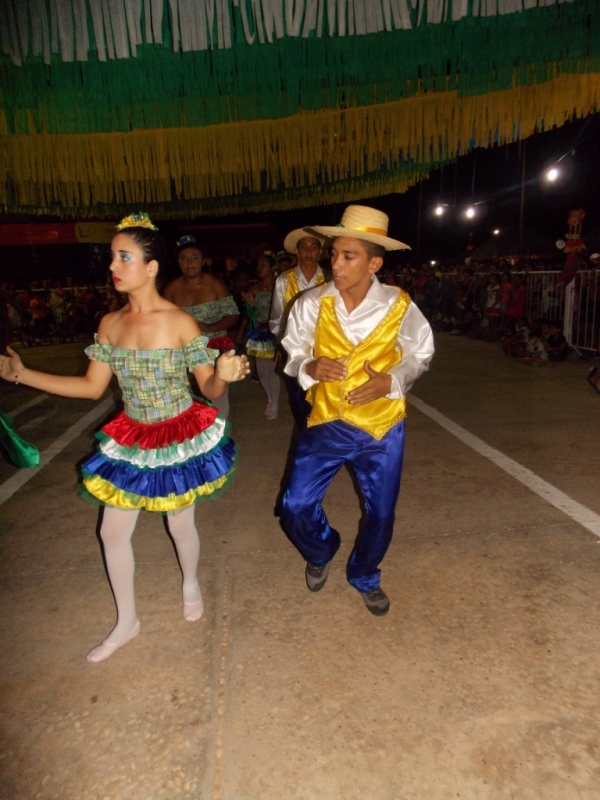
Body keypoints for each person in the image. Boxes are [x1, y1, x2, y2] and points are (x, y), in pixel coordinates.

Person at [0, 213, 249, 663]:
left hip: (177, 433)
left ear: (151, 267)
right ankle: (126, 621)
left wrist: (224, 376)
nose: (113, 265)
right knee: (112, 531)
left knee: (179, 522)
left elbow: (209, 389)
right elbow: (92, 388)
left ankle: (190, 582)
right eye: (112, 256)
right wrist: (24, 375)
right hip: (132, 435)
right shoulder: (110, 323)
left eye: (124, 256)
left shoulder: (179, 323)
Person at [280, 205, 434, 616]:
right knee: (294, 506)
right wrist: (309, 366)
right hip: (326, 422)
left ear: (374, 262)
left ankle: (365, 574)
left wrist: (392, 380)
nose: (337, 263)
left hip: (381, 429)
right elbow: (293, 354)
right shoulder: (310, 304)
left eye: (349, 256)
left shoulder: (399, 305)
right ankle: (321, 548)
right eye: (335, 254)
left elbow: (421, 352)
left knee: (381, 513)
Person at [164, 235, 240, 419]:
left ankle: (219, 433)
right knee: (186, 394)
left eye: (194, 257)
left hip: (215, 345)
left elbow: (233, 315)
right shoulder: (171, 289)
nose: (189, 263)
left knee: (218, 393)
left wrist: (210, 326)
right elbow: (162, 320)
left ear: (203, 261)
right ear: (178, 262)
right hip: (183, 350)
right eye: (184, 258)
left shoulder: (215, 285)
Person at [269, 227, 328, 428]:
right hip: (295, 352)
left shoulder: (330, 278)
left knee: (325, 400)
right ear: (297, 251)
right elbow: (277, 320)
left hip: (327, 350)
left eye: (313, 248)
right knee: (298, 399)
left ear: (320, 251)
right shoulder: (284, 280)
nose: (309, 252)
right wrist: (285, 348)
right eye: (304, 248)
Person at [241, 251, 280, 420]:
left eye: (264, 264)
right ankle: (271, 400)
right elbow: (251, 317)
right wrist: (249, 307)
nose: (260, 268)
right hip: (259, 334)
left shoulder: (280, 287)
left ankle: (275, 404)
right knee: (262, 372)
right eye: (259, 265)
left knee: (271, 371)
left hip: (275, 333)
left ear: (273, 267)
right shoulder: (254, 288)